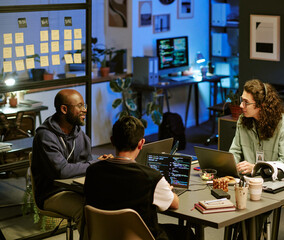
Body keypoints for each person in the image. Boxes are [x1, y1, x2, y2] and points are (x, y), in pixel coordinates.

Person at [84, 116, 194, 240]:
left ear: (112, 140)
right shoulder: (152, 178)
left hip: (104, 235)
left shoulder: (92, 171)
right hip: (143, 236)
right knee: (186, 233)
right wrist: (168, 189)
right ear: (141, 143)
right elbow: (175, 204)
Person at [229, 79, 284, 239]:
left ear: (261, 105)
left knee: (251, 211)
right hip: (244, 182)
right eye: (241, 100)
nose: (241, 106)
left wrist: (255, 168)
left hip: (270, 184)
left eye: (246, 102)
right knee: (225, 204)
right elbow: (234, 152)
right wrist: (228, 166)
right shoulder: (242, 121)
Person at [31, 89, 98, 236]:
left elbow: (86, 165)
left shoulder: (79, 134)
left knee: (103, 203)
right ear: (64, 109)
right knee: (84, 210)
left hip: (75, 189)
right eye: (79, 106)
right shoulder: (45, 136)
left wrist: (102, 164)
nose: (84, 110)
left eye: (84, 105)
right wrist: (94, 164)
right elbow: (62, 171)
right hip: (51, 194)